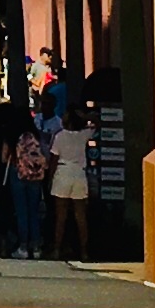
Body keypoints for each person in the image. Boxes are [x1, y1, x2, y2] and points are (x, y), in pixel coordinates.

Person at [49, 109, 95, 258]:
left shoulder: (59, 136)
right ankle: (84, 251)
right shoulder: (83, 135)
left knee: (60, 216)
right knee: (80, 216)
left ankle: (56, 249)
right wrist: (85, 117)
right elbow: (97, 123)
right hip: (79, 173)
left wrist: (50, 179)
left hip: (63, 172)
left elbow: (54, 160)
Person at [8, 113, 52, 265]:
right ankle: (36, 247)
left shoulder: (14, 137)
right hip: (35, 176)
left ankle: (23, 247)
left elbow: (4, 157)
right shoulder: (37, 136)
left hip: (19, 175)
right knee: (33, 212)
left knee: (22, 212)